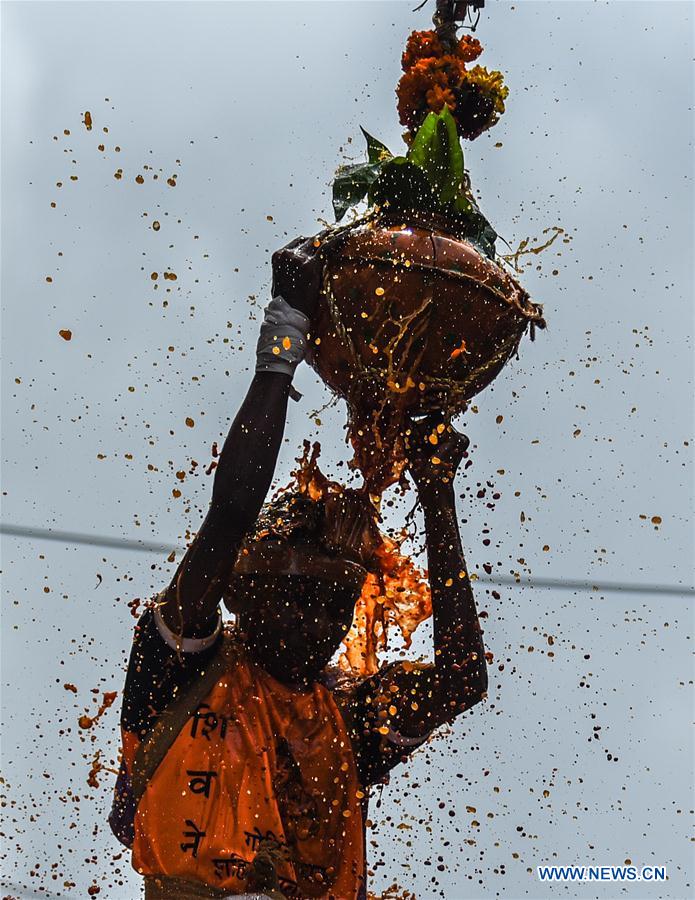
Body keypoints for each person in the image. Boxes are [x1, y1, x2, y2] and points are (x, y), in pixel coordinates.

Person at [109, 235, 488, 900]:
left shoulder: (345, 717)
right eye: (297, 595)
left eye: (334, 605)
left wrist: (435, 489)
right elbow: (229, 517)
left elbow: (461, 680)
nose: (317, 622)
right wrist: (285, 330)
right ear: (240, 592)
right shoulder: (180, 661)